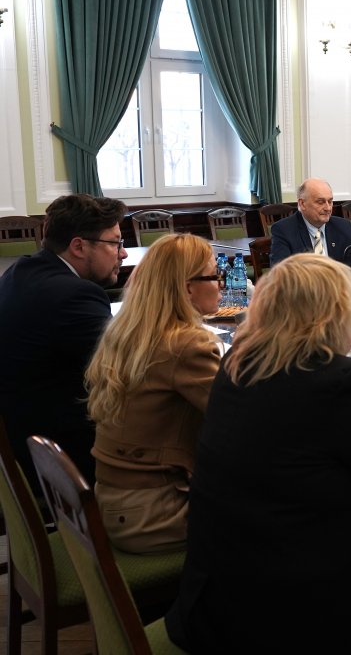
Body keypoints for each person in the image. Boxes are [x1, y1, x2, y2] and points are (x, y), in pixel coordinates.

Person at [165, 254, 351, 652]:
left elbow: (305, 441)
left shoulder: (238, 364)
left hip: (223, 595)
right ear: (334, 314)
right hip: (302, 613)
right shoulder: (339, 379)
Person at [85, 234, 222, 553]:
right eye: (215, 275)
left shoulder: (129, 330)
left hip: (115, 501)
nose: (221, 284)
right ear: (187, 288)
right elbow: (243, 420)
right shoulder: (186, 344)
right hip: (155, 513)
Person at [0, 193, 126, 488]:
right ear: (79, 246)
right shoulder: (73, 296)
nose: (122, 254)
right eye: (115, 243)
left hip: (18, 447)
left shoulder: (20, 271)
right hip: (58, 461)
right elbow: (127, 369)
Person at [269, 177, 351, 266]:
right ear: (302, 204)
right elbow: (281, 271)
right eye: (320, 202)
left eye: (330, 201)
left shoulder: (344, 227)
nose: (328, 208)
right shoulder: (284, 230)